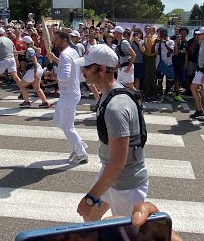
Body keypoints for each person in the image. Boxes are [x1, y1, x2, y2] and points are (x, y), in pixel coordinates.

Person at [74, 44, 148, 220]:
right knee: (90, 217)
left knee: (126, 235)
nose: (83, 69)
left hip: (125, 185)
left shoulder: (116, 107)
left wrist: (91, 197)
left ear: (101, 69)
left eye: (87, 66)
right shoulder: (108, 94)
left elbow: (117, 163)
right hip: (111, 175)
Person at [46, 30, 88, 165]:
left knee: (67, 126)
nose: (54, 42)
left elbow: (64, 76)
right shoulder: (72, 51)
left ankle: (81, 153)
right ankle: (79, 146)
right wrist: (55, 59)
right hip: (71, 94)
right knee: (63, 124)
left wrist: (50, 76)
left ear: (64, 40)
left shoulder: (65, 55)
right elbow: (68, 66)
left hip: (68, 95)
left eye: (56, 40)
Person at [0, 28, 22, 97]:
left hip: (2, 60)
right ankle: (23, 90)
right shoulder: (10, 40)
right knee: (15, 76)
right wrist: (16, 60)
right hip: (11, 59)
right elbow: (14, 51)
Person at [17, 36, 50, 108]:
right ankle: (45, 102)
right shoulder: (29, 50)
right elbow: (22, 52)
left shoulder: (29, 50)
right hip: (36, 69)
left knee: (21, 85)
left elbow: (34, 62)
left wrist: (35, 73)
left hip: (33, 70)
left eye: (22, 41)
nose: (21, 42)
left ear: (25, 42)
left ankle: (26, 101)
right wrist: (15, 52)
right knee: (37, 88)